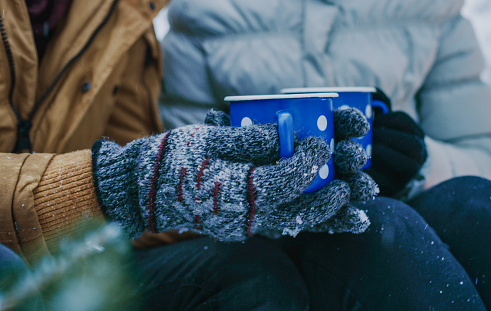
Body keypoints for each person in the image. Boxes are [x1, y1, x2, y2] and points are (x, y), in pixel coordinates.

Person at [158, 0, 491, 309]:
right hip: (271, 237)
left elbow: (480, 155)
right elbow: (175, 178)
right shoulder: (206, 13)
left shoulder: (435, 8)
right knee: (383, 226)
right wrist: (257, 185)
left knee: (480, 206)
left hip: (409, 210)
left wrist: (416, 159)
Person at [0, 0, 376, 310]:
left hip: (73, 261)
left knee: (254, 275)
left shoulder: (119, 12)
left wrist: (230, 201)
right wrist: (127, 184)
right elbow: (129, 181)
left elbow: (135, 174)